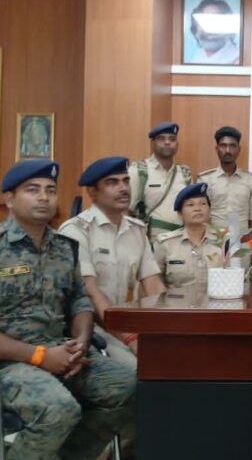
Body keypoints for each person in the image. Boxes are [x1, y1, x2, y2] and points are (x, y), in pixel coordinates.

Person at [0, 160, 135, 459]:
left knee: (132, 388)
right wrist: (39, 356)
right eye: (32, 190)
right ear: (9, 199)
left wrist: (81, 342)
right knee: (58, 409)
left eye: (50, 190)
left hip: (60, 353)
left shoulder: (63, 247)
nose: (43, 197)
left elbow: (79, 301)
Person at [60, 157, 165, 369]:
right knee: (144, 369)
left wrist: (169, 330)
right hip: (90, 329)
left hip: (124, 325)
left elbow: (154, 287)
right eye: (112, 183)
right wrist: (130, 338)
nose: (123, 188)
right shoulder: (76, 231)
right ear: (92, 192)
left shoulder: (136, 230)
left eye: (126, 181)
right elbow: (91, 294)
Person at [154, 183, 225, 290]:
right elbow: (154, 283)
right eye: (190, 205)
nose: (198, 209)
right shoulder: (166, 244)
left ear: (210, 211)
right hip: (177, 300)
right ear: (180, 214)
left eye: (203, 204)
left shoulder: (223, 241)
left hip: (215, 299)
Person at [128, 122, 192, 240]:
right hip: (149, 240)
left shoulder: (184, 173)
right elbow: (127, 210)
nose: (167, 142)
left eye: (172, 139)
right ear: (153, 143)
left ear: (177, 144)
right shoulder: (139, 171)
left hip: (180, 239)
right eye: (161, 138)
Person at [197, 126, 252, 239]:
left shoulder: (251, 180)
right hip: (213, 242)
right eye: (223, 146)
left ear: (238, 149)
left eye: (232, 146)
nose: (227, 151)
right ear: (216, 149)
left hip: (242, 243)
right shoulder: (205, 180)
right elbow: (199, 216)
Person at [188, 0, 240, 64]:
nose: (209, 31)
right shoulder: (198, 56)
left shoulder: (238, 60)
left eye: (215, 22)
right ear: (196, 31)